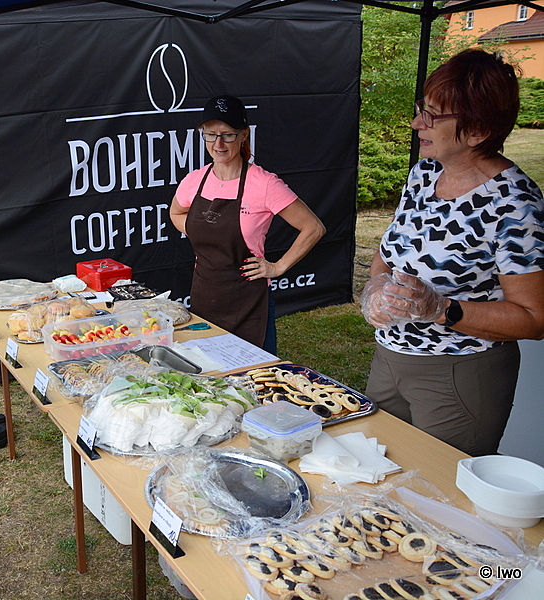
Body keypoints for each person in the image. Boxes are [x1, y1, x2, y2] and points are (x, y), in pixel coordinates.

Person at [361, 49, 544, 457]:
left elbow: (534, 319)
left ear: (477, 130)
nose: (416, 124)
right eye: (421, 110)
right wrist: (376, 287)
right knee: (370, 469)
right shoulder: (424, 174)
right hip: (390, 356)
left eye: (432, 116)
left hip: (458, 373)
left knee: (437, 486)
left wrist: (442, 309)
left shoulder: (515, 204)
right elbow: (389, 253)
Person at [169, 95, 326, 353]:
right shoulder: (194, 181)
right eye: (211, 134)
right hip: (204, 297)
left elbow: (313, 228)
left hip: (248, 303)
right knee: (208, 371)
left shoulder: (265, 184)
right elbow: (176, 213)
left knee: (255, 373)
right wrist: (202, 231)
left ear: (244, 135)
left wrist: (278, 267)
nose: (218, 143)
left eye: (227, 135)